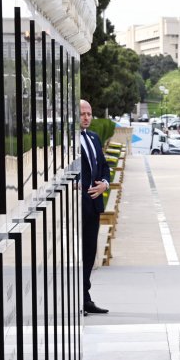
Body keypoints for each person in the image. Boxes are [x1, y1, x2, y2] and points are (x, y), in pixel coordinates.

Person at [79, 100, 110, 315]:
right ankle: (79, 298)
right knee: (78, 254)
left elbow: (104, 167)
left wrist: (104, 185)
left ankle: (85, 297)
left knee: (90, 253)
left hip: (94, 204)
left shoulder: (94, 137)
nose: (87, 117)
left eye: (89, 113)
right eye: (83, 114)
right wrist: (75, 185)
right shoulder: (67, 141)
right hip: (76, 206)